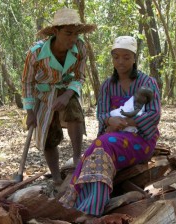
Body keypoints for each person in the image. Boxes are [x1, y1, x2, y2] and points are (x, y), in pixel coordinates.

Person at [59, 36, 161, 218]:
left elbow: (154, 114)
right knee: (101, 147)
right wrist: (109, 121)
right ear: (112, 58)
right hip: (114, 136)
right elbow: (102, 114)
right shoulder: (107, 85)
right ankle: (89, 203)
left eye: (126, 57)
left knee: (102, 144)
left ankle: (86, 204)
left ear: (135, 58)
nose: (120, 61)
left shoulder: (148, 83)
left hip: (141, 140)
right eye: (116, 57)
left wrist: (126, 122)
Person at [21, 8, 96, 186]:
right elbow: (27, 82)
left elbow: (79, 76)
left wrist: (67, 95)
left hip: (66, 89)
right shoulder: (36, 53)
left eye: (76, 34)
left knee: (74, 112)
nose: (73, 39)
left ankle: (77, 158)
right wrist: (30, 111)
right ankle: (56, 178)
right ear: (56, 32)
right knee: (48, 136)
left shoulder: (80, 48)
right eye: (68, 33)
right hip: (43, 96)